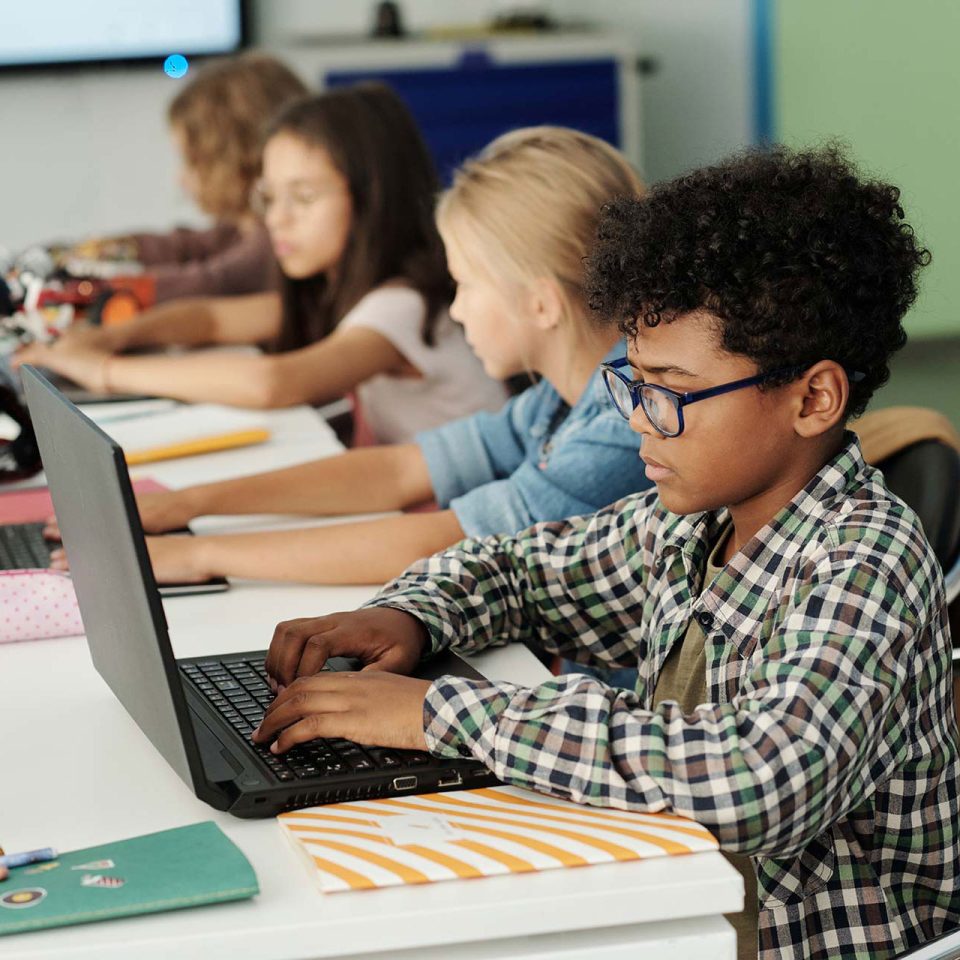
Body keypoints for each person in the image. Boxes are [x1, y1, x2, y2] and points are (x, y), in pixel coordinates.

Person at [252, 145, 960, 960]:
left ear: (813, 398)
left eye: (669, 392)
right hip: (685, 898)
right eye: (633, 383)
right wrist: (405, 615)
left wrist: (434, 712)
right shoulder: (692, 524)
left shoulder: (866, 560)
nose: (637, 420)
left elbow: (761, 780)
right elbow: (517, 568)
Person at [46, 127, 653, 595]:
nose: (458, 310)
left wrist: (198, 555)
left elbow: (438, 540)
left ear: (541, 303)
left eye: (466, 285)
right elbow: (397, 471)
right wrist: (189, 504)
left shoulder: (625, 425)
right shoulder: (559, 399)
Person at [16, 84, 506, 442]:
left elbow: (275, 383)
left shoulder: (401, 304)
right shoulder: (338, 290)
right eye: (269, 198)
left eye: (304, 198)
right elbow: (208, 318)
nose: (277, 219)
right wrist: (110, 337)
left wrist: (102, 369)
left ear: (373, 197)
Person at [68, 52, 307, 303]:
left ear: (235, 158)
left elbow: (209, 280)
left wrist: (86, 288)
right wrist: (99, 250)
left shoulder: (274, 239)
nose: (180, 179)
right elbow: (186, 245)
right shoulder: (240, 229)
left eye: (191, 161)